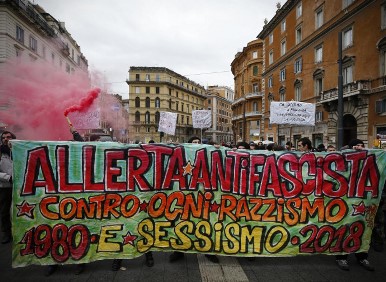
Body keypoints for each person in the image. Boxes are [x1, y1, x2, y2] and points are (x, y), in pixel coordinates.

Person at [169, 136, 219, 264]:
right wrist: (169, 145)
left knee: (205, 223)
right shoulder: (184, 155)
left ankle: (208, 251)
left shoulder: (208, 154)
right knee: (183, 222)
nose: (196, 144)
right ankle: (179, 250)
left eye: (198, 142)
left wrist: (218, 149)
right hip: (187, 195)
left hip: (204, 196)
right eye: (193, 142)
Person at [335, 138, 374, 271]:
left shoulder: (369, 159)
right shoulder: (343, 158)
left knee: (363, 230)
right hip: (346, 201)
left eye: (361, 145)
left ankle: (362, 256)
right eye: (356, 145)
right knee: (344, 229)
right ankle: (342, 257)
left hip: (363, 201)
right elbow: (339, 156)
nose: (359, 147)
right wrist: (349, 151)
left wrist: (365, 152)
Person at [0, 131, 15, 244]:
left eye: (8, 137)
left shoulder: (18, 150)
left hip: (18, 186)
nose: (6, 139)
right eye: (4, 137)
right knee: (4, 212)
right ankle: (7, 233)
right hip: (5, 186)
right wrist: (8, 178)